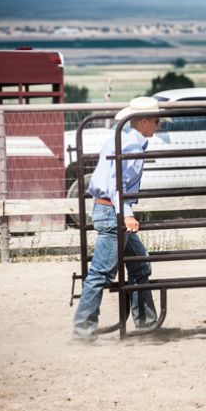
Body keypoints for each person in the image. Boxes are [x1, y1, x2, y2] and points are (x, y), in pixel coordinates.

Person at [73, 97, 162, 341]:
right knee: (101, 272)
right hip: (114, 212)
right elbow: (117, 185)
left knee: (139, 264)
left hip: (108, 210)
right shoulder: (132, 147)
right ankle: (83, 329)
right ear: (143, 121)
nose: (159, 124)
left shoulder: (120, 138)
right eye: (156, 120)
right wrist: (128, 215)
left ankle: (146, 323)